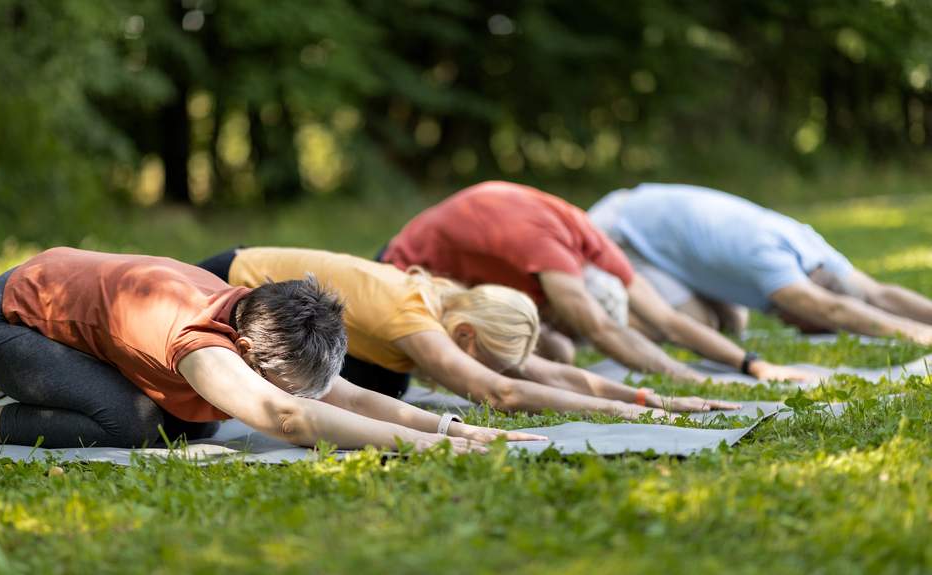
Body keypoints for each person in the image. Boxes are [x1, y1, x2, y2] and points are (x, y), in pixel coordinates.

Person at [0, 247, 542, 452]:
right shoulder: (199, 344)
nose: (291, 393)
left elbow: (336, 394)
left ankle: (46, 383)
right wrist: (435, 449)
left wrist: (460, 429)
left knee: (200, 420)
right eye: (281, 380)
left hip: (63, 313)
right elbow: (292, 416)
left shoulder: (256, 314)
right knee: (133, 424)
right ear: (242, 347)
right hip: (6, 324)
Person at [198, 246, 739, 418]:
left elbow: (538, 370)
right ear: (463, 335)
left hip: (270, 287)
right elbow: (501, 390)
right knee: (377, 390)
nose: (494, 371)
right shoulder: (411, 315)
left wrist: (647, 396)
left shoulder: (455, 307)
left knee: (393, 387)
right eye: (486, 358)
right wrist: (627, 414)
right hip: (223, 286)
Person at [381, 180, 814, 383]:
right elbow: (602, 331)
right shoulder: (546, 249)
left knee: (557, 352)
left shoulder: (596, 245)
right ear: (565, 293)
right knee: (529, 361)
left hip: (474, 278)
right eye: (571, 313)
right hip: (403, 272)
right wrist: (693, 381)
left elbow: (668, 321)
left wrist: (751, 364)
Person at [589, 183, 932, 344]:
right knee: (696, 326)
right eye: (801, 324)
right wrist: (918, 334)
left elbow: (878, 293)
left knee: (731, 325)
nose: (790, 325)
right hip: (618, 232)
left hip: (648, 221)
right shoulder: (771, 261)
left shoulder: (810, 246)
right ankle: (593, 320)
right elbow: (832, 310)